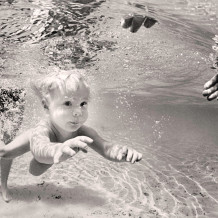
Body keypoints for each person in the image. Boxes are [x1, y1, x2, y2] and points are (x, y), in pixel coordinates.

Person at [0, 70, 142, 202]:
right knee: (5, 153)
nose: (78, 112)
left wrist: (120, 153)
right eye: (68, 103)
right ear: (46, 106)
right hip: (42, 147)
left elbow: (105, 147)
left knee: (35, 170)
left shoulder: (83, 131)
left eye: (83, 103)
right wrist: (57, 149)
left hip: (49, 158)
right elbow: (39, 147)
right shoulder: (42, 129)